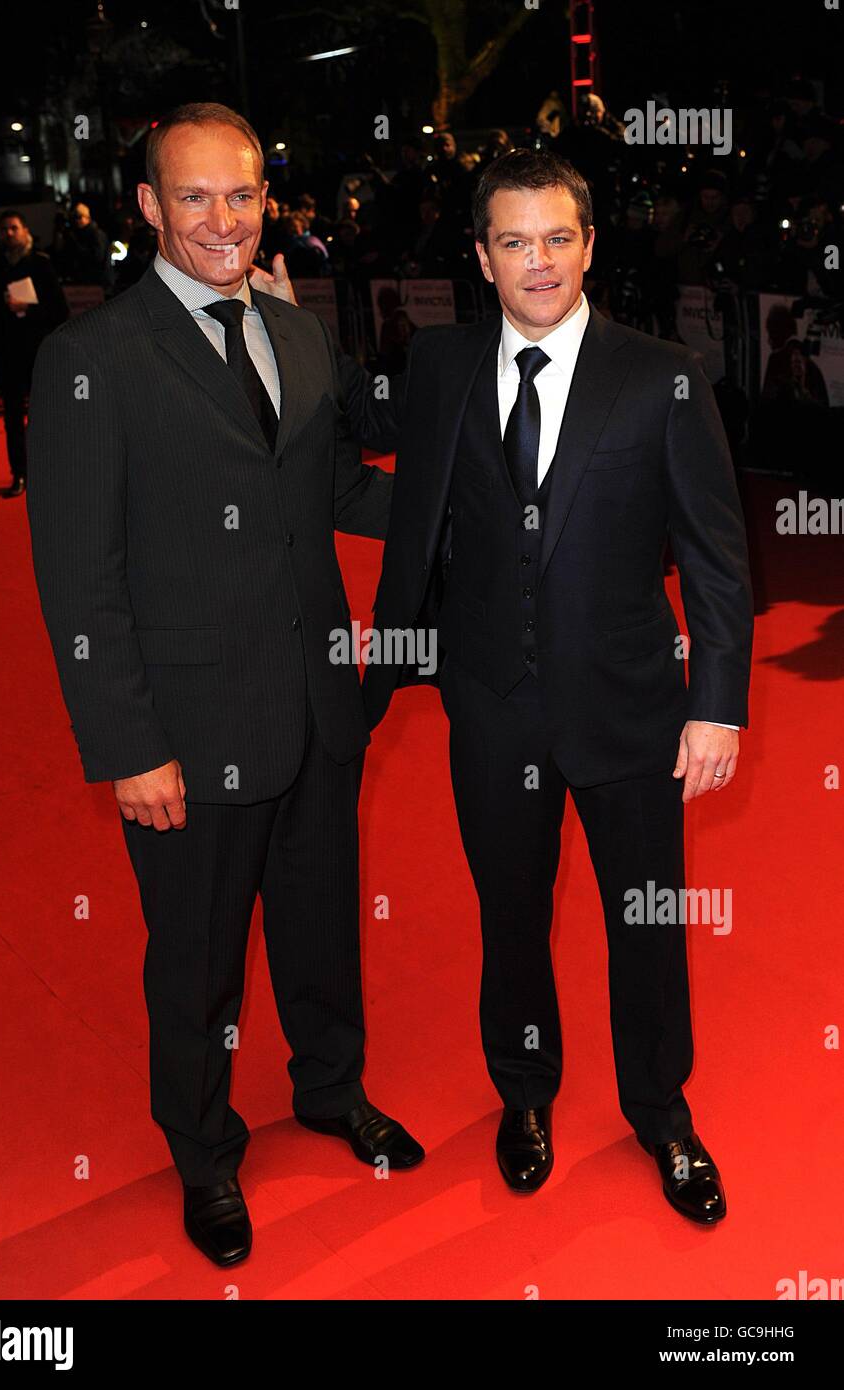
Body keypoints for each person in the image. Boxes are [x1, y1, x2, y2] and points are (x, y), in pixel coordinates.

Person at [293, 149, 752, 1223]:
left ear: (589, 244)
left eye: (557, 237)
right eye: (513, 241)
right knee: (512, 919)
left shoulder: (663, 375)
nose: (537, 262)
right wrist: (285, 321)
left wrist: (716, 703)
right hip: (492, 707)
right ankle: (526, 1094)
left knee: (645, 921)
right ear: (481, 255)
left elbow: (719, 557)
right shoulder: (446, 366)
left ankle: (662, 1112)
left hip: (632, 709)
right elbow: (368, 430)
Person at [25, 102, 423, 1270]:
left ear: (266, 200)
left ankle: (330, 1088)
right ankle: (203, 1153)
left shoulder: (296, 334)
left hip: (315, 702)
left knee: (318, 923)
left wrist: (473, 518)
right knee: (195, 958)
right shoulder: (90, 359)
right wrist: (125, 745)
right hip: (187, 734)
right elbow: (78, 579)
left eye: (240, 195)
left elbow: (342, 490)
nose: (220, 220)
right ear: (146, 207)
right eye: (191, 196)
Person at [0, 210, 68, 495]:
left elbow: (60, 311)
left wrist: (29, 308)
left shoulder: (41, 265)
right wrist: (3, 305)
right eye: (4, 229)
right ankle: (19, 474)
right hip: (7, 351)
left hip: (39, 350)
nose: (9, 233)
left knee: (45, 415)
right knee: (12, 416)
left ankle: (50, 471)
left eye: (14, 228)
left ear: (25, 229)